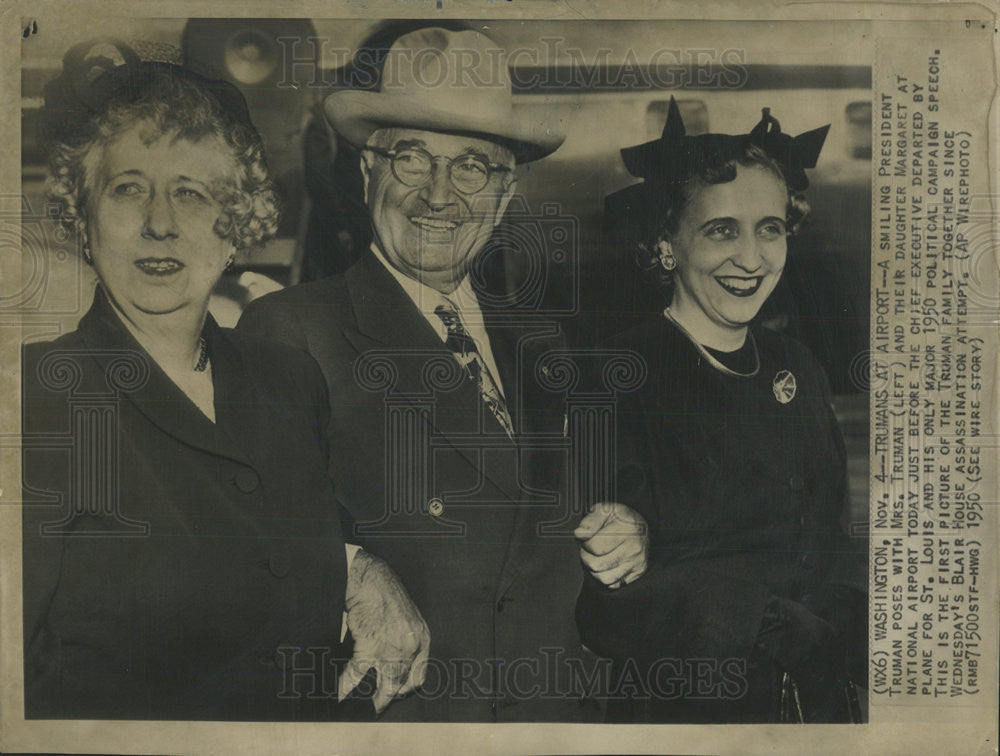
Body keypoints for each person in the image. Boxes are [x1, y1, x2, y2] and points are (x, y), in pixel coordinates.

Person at [21, 40, 429, 721]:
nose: (161, 222)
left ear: (234, 221)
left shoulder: (288, 380)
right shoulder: (38, 398)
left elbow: (301, 542)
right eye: (128, 188)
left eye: (192, 191)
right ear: (83, 218)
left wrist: (359, 567)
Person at [238, 27, 602, 722]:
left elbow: (555, 555)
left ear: (504, 192)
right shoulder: (291, 330)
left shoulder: (544, 342)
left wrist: (626, 539)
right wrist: (352, 569)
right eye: (411, 157)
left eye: (470, 166)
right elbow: (240, 536)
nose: (439, 194)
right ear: (368, 171)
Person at [574, 98, 867, 723]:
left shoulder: (796, 365)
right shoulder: (617, 377)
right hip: (691, 711)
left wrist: (843, 627)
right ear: (665, 245)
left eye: (770, 227)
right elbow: (614, 598)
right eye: (720, 230)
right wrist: (776, 627)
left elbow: (834, 537)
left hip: (815, 703)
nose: (752, 258)